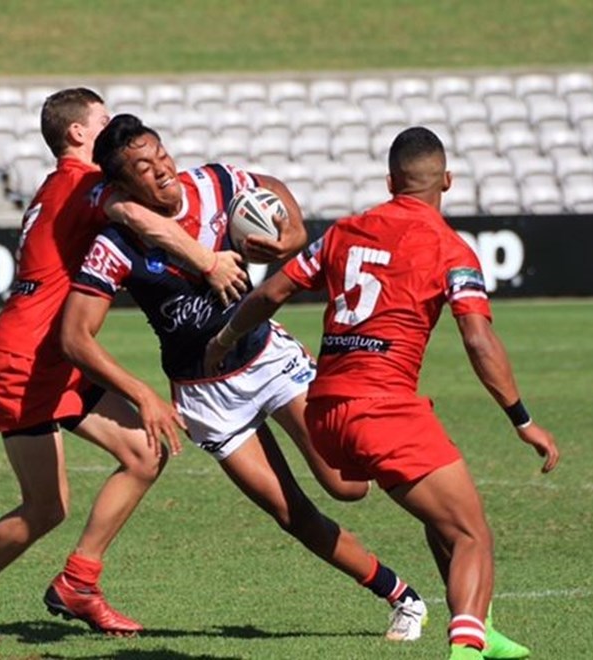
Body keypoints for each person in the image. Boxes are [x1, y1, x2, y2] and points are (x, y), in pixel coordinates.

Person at [59, 113, 430, 643]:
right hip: (207, 397)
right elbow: (75, 337)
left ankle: (441, 507)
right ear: (121, 186)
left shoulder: (215, 183)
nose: (161, 169)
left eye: (161, 154)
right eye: (142, 168)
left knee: (348, 485)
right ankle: (402, 597)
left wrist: (292, 235)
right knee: (291, 512)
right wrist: (142, 395)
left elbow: (273, 187)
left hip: (269, 360)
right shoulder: (117, 244)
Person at [204, 126, 561, 660]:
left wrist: (224, 339)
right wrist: (522, 419)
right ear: (447, 181)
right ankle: (468, 646)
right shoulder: (450, 247)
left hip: (325, 410)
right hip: (383, 410)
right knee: (472, 535)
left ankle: (483, 629)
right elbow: (478, 339)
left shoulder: (344, 231)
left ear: (391, 181)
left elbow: (273, 290)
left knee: (442, 518)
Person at [0, 87, 262, 644]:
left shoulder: (62, 187)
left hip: (53, 355)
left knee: (145, 452)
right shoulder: (83, 183)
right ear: (78, 133)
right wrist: (208, 261)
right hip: (24, 359)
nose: (115, 129)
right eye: (104, 121)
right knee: (46, 507)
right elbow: (138, 216)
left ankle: (79, 582)